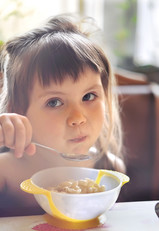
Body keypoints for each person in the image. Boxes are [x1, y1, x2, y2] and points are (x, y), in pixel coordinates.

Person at [0, 14, 125, 217]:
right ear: (19, 112)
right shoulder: (5, 171)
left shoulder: (109, 169)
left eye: (89, 96)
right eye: (54, 102)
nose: (78, 117)